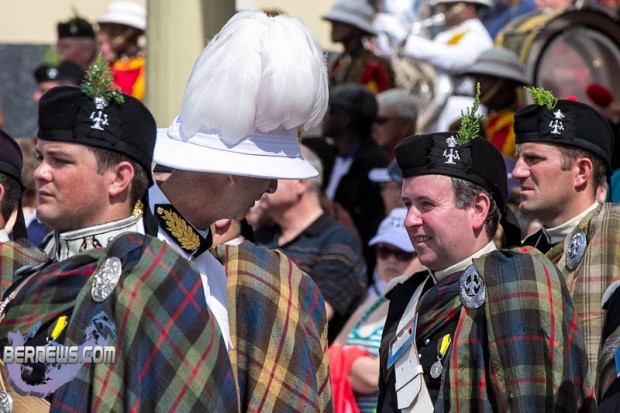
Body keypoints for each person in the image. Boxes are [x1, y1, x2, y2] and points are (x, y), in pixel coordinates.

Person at [0, 57, 238, 411]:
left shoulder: (157, 280)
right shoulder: (32, 273)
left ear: (119, 178)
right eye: (41, 157)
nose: (40, 173)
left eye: (60, 161)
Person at [150, 11, 332, 412]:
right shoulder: (124, 242)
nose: (271, 187)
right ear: (232, 171)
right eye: (266, 174)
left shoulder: (213, 263)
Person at [377, 96, 594, 410]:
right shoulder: (406, 296)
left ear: (478, 209)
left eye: (426, 205)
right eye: (408, 204)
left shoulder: (516, 280)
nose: (410, 219)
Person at [512, 87, 620, 403]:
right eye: (518, 158)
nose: (517, 171)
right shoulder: (519, 254)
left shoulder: (615, 234)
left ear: (581, 172)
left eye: (533, 159)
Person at [255, 145, 366, 343]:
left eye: (271, 173)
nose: (260, 181)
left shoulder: (339, 240)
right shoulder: (261, 234)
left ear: (300, 183)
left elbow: (316, 313)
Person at [332, 208, 422, 413]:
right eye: (384, 251)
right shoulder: (369, 306)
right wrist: (355, 363)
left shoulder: (420, 307)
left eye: (402, 253)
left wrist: (344, 359)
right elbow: (326, 359)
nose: (391, 259)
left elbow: (375, 376)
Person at [323, 84, 389, 285]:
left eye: (331, 112)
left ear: (344, 119)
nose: (325, 118)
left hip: (353, 262)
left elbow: (369, 222)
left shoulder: (373, 163)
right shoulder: (327, 155)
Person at [402, 0, 494, 132]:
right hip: (439, 103)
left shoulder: (477, 35)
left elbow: (455, 60)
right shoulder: (447, 35)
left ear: (470, 7)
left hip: (462, 105)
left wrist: (408, 42)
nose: (443, 10)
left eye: (450, 6)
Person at [463, 46, 529, 158]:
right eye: (475, 79)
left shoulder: (520, 127)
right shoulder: (489, 122)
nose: (477, 86)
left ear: (507, 83)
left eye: (485, 79)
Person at [322, 0, 395, 93]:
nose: (332, 27)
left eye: (339, 22)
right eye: (333, 22)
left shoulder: (374, 67)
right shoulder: (339, 62)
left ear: (355, 27)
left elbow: (377, 100)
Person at [97, 1, 147, 100]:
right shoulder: (108, 66)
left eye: (116, 28)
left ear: (131, 32)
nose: (110, 33)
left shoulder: (144, 67)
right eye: (109, 28)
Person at [372, 88, 419, 160]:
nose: (373, 128)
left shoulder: (427, 162)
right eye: (371, 121)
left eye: (380, 121)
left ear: (404, 126)